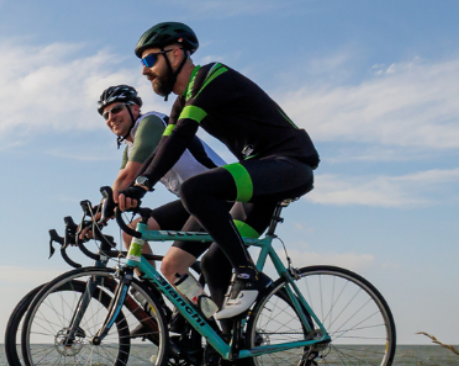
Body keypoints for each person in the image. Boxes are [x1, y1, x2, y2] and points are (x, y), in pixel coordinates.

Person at [117, 22, 320, 328]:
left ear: (174, 54)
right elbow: (163, 149)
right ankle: (227, 354)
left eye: (149, 60)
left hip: (289, 164)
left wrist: (142, 185)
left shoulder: (212, 76)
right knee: (206, 263)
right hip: (258, 182)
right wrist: (124, 194)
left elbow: (181, 137)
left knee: (195, 190)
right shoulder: (181, 103)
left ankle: (247, 274)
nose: (145, 71)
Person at [89, 85, 226, 290]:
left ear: (134, 109)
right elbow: (117, 187)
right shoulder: (131, 145)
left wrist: (97, 219)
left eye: (116, 109)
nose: (111, 117)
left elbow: (127, 177)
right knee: (132, 232)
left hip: (222, 196)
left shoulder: (151, 123)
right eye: (106, 115)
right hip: (194, 201)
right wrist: (93, 219)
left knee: (172, 265)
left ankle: (201, 315)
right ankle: (152, 298)